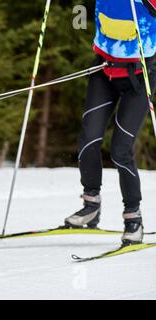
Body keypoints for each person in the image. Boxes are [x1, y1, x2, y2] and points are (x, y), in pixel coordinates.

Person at [64, 0, 156, 246]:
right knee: (89, 138)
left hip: (139, 74)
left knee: (120, 150)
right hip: (104, 70)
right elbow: (75, 9)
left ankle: (133, 218)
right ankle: (90, 205)